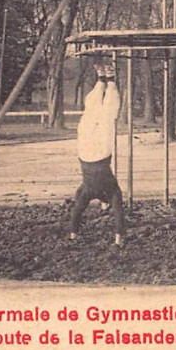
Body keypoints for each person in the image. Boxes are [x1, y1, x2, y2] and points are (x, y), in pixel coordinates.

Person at [69, 63, 125, 247]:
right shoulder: (86, 190)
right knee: (90, 115)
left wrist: (119, 237)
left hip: (100, 153)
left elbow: (119, 213)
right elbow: (76, 210)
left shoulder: (111, 191)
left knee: (107, 116)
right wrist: (73, 233)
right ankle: (102, 80)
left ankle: (108, 80)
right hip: (84, 153)